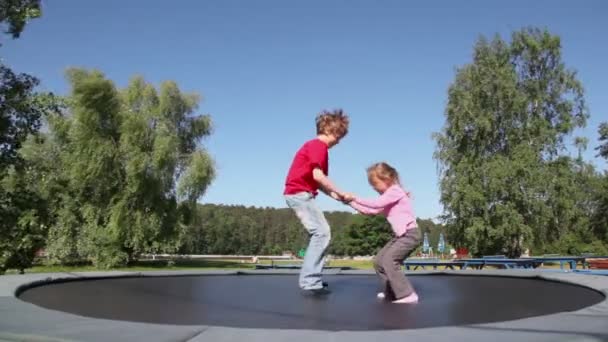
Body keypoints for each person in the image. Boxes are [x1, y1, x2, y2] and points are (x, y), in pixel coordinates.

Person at [283, 109, 349, 293]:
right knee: (321, 233)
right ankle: (310, 282)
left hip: (300, 193)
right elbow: (318, 176)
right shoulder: (318, 146)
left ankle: (312, 279)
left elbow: (318, 182)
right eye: (339, 136)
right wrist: (341, 191)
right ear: (330, 131)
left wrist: (337, 196)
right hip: (299, 193)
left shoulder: (316, 148)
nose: (339, 141)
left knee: (321, 233)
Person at [344, 162, 421, 303]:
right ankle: (392, 292)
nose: (374, 188)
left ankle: (407, 294)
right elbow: (370, 211)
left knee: (389, 261)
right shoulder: (388, 196)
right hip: (400, 236)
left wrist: (354, 197)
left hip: (410, 234)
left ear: (387, 179)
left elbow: (376, 204)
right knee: (379, 262)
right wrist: (349, 202)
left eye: (375, 184)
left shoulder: (395, 190)